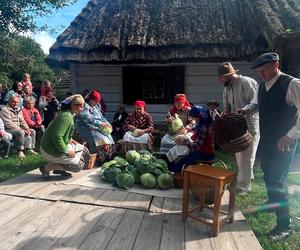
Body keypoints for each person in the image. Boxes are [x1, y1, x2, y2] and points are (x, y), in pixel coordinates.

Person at [249, 52, 300, 241]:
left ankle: (284, 225)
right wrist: (244, 110)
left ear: (276, 65)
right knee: (267, 172)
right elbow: (255, 104)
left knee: (278, 180)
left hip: (284, 141)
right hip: (268, 139)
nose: (261, 75)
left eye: (264, 70)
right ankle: (273, 203)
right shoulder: (262, 86)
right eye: (259, 72)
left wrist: (289, 136)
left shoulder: (292, 84)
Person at [218, 62, 260, 193]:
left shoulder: (246, 82)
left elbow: (257, 102)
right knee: (239, 155)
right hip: (236, 128)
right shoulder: (227, 89)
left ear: (230, 75)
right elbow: (227, 107)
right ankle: (248, 177)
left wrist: (245, 110)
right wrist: (224, 113)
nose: (220, 80)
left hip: (250, 124)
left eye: (222, 77)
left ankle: (244, 186)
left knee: (246, 156)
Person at [40, 94, 91, 179]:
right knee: (78, 165)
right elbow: (56, 136)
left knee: (84, 150)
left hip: (55, 146)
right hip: (50, 149)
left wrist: (69, 139)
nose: (82, 109)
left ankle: (59, 169)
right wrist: (67, 151)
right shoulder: (66, 116)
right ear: (73, 105)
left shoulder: (68, 114)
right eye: (81, 106)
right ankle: (46, 168)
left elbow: (59, 132)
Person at [168, 105, 214, 172]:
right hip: (204, 152)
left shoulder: (203, 129)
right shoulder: (202, 124)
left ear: (199, 117)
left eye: (194, 118)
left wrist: (184, 141)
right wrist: (186, 129)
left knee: (181, 160)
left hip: (205, 154)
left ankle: (178, 175)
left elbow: (196, 146)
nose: (193, 119)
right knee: (180, 155)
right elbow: (193, 127)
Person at [75, 90, 115, 162]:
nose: (97, 103)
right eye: (95, 101)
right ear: (90, 100)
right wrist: (100, 124)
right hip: (85, 127)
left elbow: (102, 117)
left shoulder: (96, 107)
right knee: (101, 138)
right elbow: (87, 119)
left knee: (109, 136)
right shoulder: (84, 107)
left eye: (98, 101)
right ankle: (98, 158)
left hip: (96, 127)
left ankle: (108, 156)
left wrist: (107, 123)